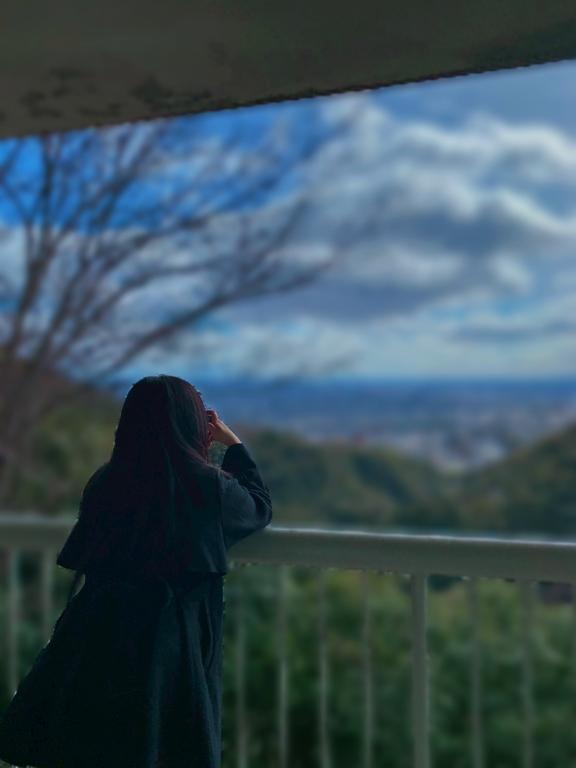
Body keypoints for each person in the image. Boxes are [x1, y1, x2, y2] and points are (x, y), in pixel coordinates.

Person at [0, 375, 273, 768]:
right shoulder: (208, 488)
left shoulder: (107, 482)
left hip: (93, 634)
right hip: (166, 649)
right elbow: (258, 507)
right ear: (195, 424)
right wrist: (234, 446)